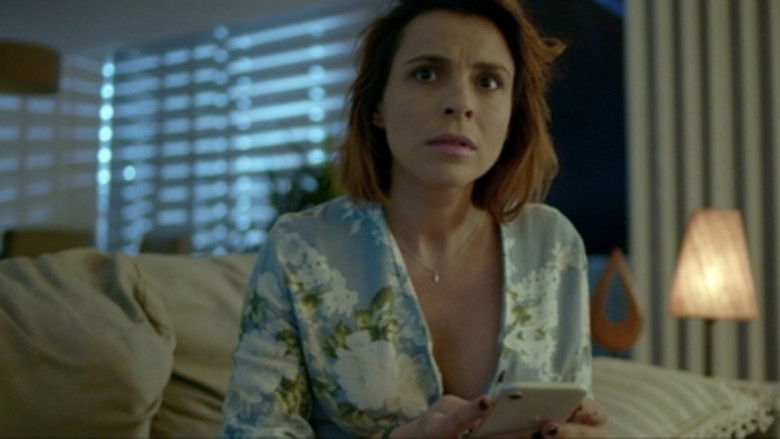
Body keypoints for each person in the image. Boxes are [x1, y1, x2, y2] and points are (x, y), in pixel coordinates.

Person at [222, 0, 608, 437]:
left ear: (512, 115)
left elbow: (569, 407)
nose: (460, 103)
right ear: (377, 105)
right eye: (426, 73)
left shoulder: (552, 244)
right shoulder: (301, 247)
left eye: (488, 82)